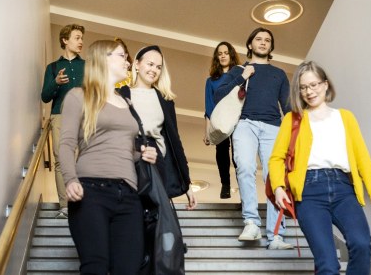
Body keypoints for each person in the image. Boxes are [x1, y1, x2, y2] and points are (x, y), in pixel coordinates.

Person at [269, 61, 371, 275]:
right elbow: (276, 158)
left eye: (313, 85)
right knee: (328, 264)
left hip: (343, 190)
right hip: (309, 193)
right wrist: (278, 188)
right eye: (303, 87)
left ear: (325, 84)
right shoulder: (292, 119)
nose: (309, 92)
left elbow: (362, 157)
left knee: (361, 245)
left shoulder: (346, 117)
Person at [58, 40, 158, 275]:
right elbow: (66, 144)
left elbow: (125, 147)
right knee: (96, 266)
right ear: (103, 59)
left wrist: (143, 153)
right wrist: (70, 179)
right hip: (91, 192)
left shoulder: (127, 103)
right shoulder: (78, 96)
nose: (128, 62)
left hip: (129, 195)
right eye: (122, 56)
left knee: (129, 268)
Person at [213, 27, 293, 249]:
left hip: (273, 127)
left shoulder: (279, 74)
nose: (263, 42)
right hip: (244, 124)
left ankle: (276, 235)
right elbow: (218, 95)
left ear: (271, 46)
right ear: (250, 44)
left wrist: (295, 133)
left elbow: (287, 106)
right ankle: (251, 223)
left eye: (267, 40)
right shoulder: (238, 70)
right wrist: (242, 76)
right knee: (245, 167)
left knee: (274, 176)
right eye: (259, 39)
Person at [118, 45, 197, 208]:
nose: (154, 70)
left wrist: (187, 183)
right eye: (150, 64)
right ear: (137, 64)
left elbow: (175, 142)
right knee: (130, 211)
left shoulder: (165, 100)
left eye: (158, 67)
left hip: (157, 162)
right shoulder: (120, 94)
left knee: (157, 214)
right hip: (128, 159)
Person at [40, 24, 85, 219]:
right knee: (61, 160)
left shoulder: (87, 66)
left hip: (84, 116)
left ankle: (84, 204)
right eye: (77, 37)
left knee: (85, 159)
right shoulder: (53, 68)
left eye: (81, 38)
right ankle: (65, 206)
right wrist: (56, 83)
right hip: (59, 115)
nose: (81, 41)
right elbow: (45, 97)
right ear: (65, 40)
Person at [204, 42, 241, 199]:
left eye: (226, 53)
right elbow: (209, 106)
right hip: (220, 120)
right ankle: (225, 184)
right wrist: (207, 130)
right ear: (217, 58)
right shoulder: (211, 81)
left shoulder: (240, 75)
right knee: (221, 150)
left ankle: (243, 185)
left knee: (238, 153)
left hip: (238, 119)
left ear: (231, 55)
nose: (223, 56)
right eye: (220, 54)